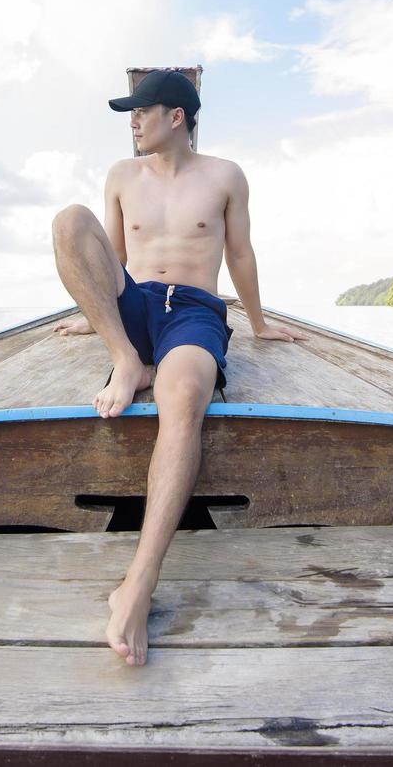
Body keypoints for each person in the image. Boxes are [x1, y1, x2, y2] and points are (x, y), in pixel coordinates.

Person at [49, 68, 306, 667]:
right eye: (129, 114)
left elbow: (240, 252)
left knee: (184, 399)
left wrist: (260, 324)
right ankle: (127, 361)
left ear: (178, 117)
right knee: (68, 221)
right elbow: (108, 258)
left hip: (193, 309)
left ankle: (138, 581)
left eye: (142, 111)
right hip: (134, 305)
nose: (133, 122)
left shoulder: (224, 176)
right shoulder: (121, 175)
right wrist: (97, 320)